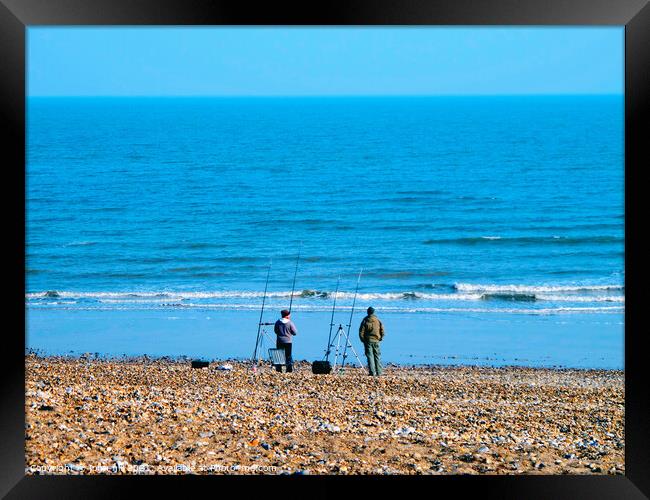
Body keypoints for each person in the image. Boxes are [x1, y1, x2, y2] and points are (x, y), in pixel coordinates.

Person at [359, 306, 384, 376]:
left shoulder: (365, 320)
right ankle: (379, 372)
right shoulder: (378, 320)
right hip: (376, 340)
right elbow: (382, 331)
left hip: (368, 341)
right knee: (377, 356)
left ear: (368, 312)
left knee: (370, 356)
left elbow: (361, 332)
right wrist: (381, 338)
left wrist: (362, 340)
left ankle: (372, 372)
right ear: (373, 312)